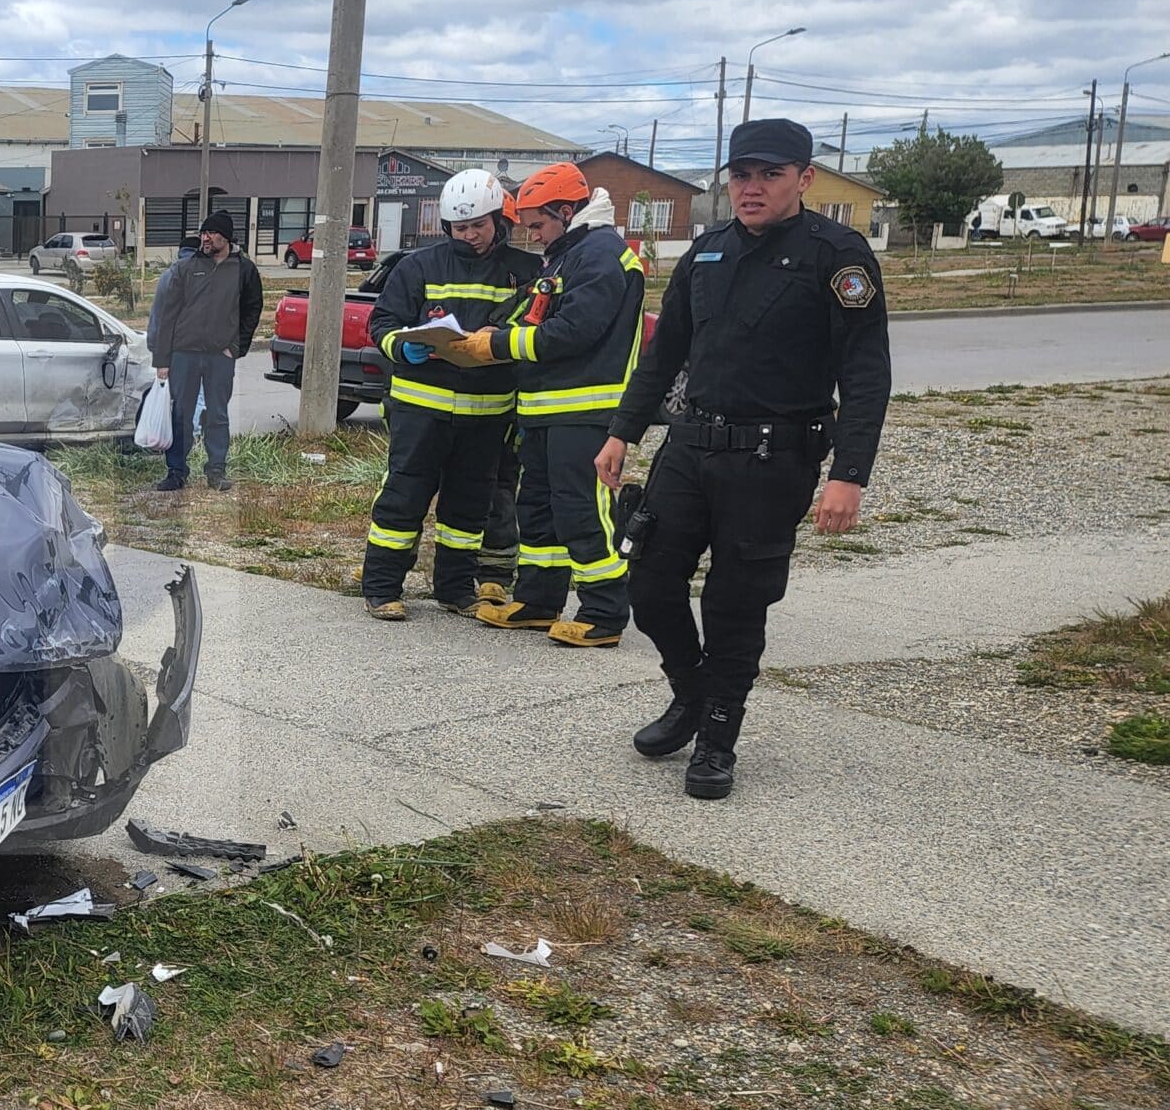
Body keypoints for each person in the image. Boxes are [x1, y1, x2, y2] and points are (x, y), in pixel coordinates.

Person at [598, 118, 890, 801]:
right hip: (690, 447)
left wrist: (850, 473)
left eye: (769, 175)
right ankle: (692, 694)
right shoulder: (708, 251)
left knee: (734, 603)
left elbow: (867, 371)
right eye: (741, 175)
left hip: (772, 459)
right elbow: (664, 353)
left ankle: (719, 736)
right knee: (648, 582)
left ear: (804, 178)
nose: (751, 188)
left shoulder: (837, 257)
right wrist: (622, 432)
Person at [444, 163, 643, 647]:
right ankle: (537, 600)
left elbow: (574, 331)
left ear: (567, 211)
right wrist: (488, 330)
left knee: (581, 508)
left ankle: (603, 612)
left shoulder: (599, 255)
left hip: (584, 408)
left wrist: (499, 345)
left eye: (538, 224)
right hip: (545, 409)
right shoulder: (566, 254)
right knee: (537, 508)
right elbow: (529, 310)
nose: (531, 236)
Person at [357, 170, 541, 619]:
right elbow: (380, 325)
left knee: (468, 507)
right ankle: (382, 588)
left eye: (479, 224)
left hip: (487, 415)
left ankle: (455, 589)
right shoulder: (418, 266)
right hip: (421, 410)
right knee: (403, 498)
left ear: (499, 220)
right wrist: (405, 345)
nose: (471, 235)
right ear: (446, 227)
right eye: (461, 228)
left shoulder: (525, 271)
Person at [147, 211, 263, 492]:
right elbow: (168, 315)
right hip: (183, 354)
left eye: (210, 233)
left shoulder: (244, 270)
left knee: (217, 414)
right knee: (181, 415)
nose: (205, 238)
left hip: (219, 357)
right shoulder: (187, 268)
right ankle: (176, 471)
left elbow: (252, 310)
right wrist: (162, 360)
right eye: (203, 233)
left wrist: (236, 347)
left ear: (225, 237)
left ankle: (216, 470)